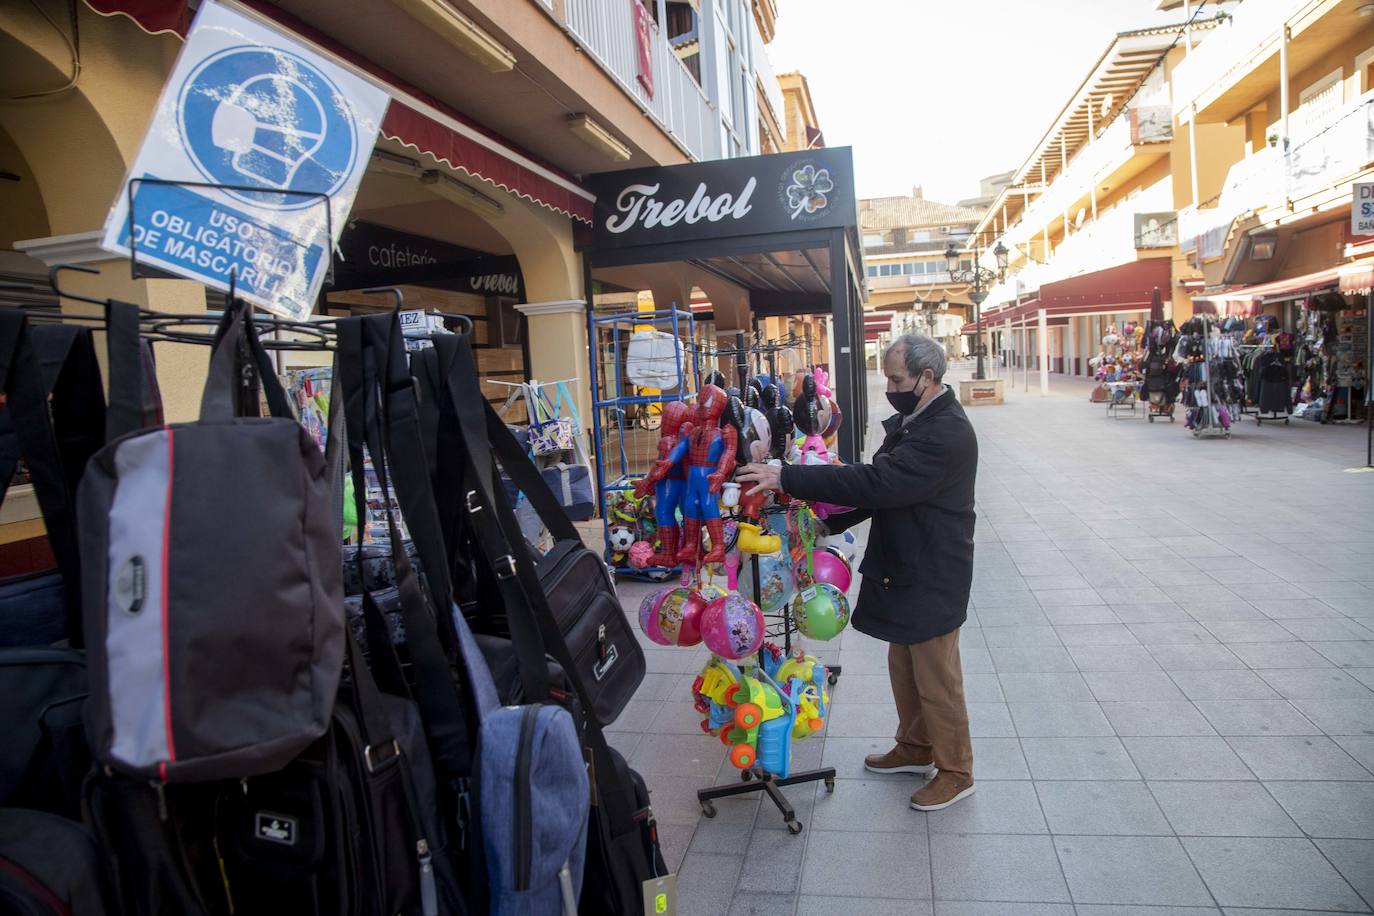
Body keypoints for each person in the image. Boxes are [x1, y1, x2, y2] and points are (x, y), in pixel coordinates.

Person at [736, 333, 978, 811]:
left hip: (933, 566)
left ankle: (956, 770)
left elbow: (879, 480)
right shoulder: (916, 418)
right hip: (906, 560)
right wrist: (830, 522)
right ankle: (915, 746)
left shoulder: (946, 432)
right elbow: (883, 492)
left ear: (927, 379)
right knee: (904, 663)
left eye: (896, 378)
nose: (889, 386)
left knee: (937, 674)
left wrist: (788, 475)